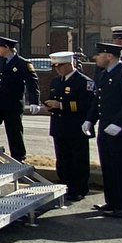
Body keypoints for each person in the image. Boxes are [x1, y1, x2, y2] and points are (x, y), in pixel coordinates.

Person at [0, 36, 40, 162]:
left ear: (6, 48)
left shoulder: (22, 63)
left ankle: (18, 157)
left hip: (12, 104)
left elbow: (32, 83)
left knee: (14, 130)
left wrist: (34, 101)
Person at [84, 43, 122, 217]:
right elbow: (98, 101)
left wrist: (119, 123)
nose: (96, 58)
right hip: (105, 128)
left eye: (99, 54)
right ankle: (112, 202)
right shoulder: (104, 74)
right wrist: (89, 119)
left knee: (121, 168)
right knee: (108, 166)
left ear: (109, 56)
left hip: (120, 130)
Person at [44, 51, 95, 201]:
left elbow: (87, 105)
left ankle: (79, 189)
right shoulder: (56, 81)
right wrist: (49, 105)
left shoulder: (83, 82)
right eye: (55, 66)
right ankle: (65, 185)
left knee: (78, 160)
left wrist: (61, 105)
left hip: (75, 127)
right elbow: (51, 98)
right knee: (63, 159)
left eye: (59, 66)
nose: (57, 69)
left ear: (69, 64)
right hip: (59, 126)